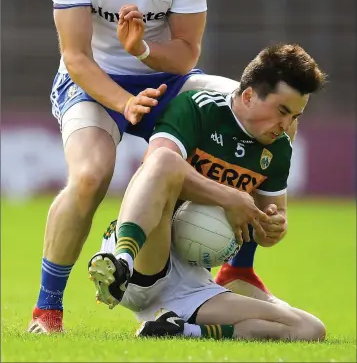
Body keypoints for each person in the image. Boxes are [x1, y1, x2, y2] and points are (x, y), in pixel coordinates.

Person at [28, 0, 240, 334]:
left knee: (225, 156)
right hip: (95, 80)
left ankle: (234, 275)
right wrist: (123, 100)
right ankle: (47, 309)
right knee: (89, 175)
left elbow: (186, 51)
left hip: (166, 77)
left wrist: (143, 50)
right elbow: (76, 56)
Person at [88, 43, 327, 341]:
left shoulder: (278, 150)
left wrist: (273, 228)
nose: (286, 125)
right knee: (164, 160)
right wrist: (229, 197)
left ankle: (179, 330)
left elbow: (269, 225)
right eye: (282, 111)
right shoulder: (197, 107)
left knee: (309, 329)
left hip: (193, 285)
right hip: (149, 256)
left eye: (295, 116)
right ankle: (120, 264)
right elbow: (157, 168)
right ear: (249, 95)